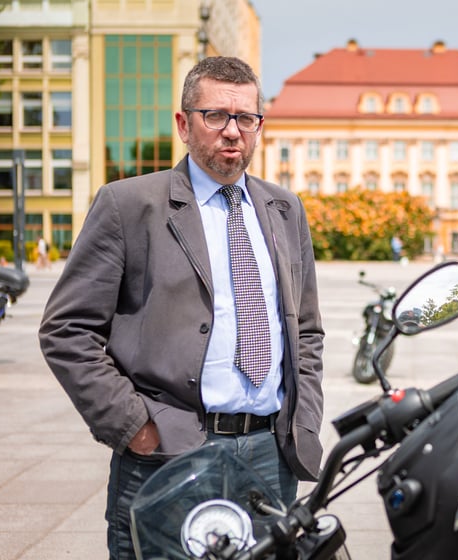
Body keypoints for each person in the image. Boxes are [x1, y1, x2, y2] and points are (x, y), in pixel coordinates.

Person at [38, 56, 324, 560]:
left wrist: (303, 423)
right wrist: (134, 427)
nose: (232, 132)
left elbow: (306, 333)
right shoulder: (129, 206)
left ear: (260, 126)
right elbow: (67, 330)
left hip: (268, 455)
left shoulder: (284, 208)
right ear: (183, 124)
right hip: (168, 454)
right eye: (216, 116)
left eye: (246, 118)